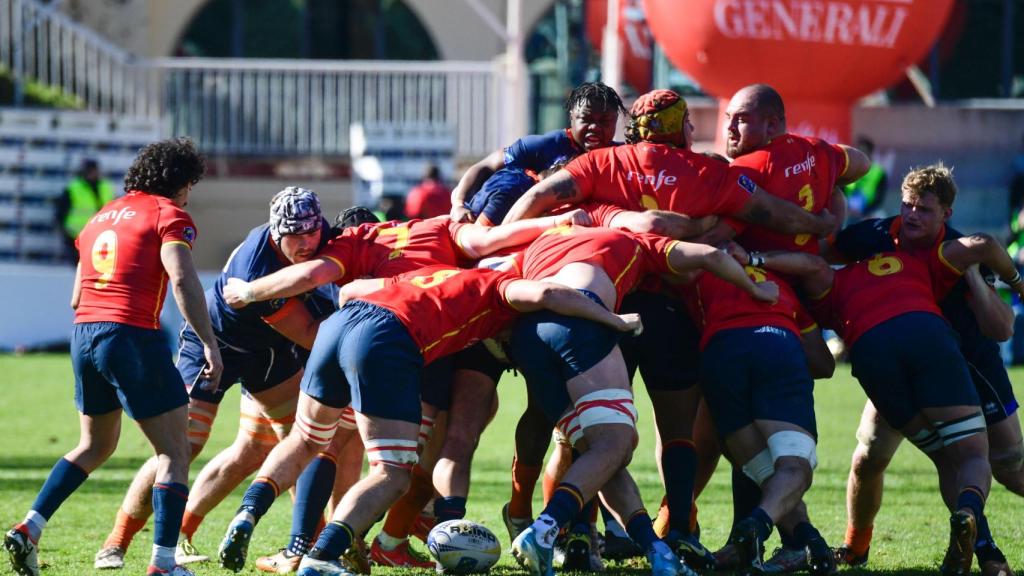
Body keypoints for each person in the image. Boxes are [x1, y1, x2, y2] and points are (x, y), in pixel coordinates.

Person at [90, 186, 342, 569]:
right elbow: (309, 334)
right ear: (276, 232)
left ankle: (299, 546)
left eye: (312, 232)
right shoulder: (257, 268)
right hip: (213, 342)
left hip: (268, 352)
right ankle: (117, 541)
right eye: (296, 235)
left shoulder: (314, 231)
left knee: (297, 442)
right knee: (180, 445)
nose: (307, 242)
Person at [506, 224, 779, 576]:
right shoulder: (632, 241)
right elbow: (709, 256)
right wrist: (756, 287)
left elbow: (498, 282)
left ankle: (654, 550)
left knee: (598, 450)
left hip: (528, 335)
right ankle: (545, 528)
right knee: (617, 443)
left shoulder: (540, 241)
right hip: (581, 322)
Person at [5, 138, 223, 576]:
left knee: (95, 444)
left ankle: (30, 526)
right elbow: (181, 280)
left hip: (84, 334)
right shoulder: (169, 215)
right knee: (174, 453)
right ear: (178, 182)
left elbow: (75, 297)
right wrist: (208, 342)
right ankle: (163, 563)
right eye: (189, 184)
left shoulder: (100, 216)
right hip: (131, 336)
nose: (189, 194)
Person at [825, 164, 1021, 576]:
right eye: (908, 205)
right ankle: (856, 546)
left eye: (925, 210)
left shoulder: (958, 251)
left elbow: (1001, 329)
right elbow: (826, 250)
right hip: (901, 362)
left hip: (969, 363)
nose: (912, 216)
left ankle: (983, 551)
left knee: (1008, 464)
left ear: (945, 215)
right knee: (868, 457)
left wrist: (978, 280)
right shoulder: (875, 235)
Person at [449, 81, 626, 223]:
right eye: (586, 119)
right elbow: (486, 165)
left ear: (616, 120)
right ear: (572, 116)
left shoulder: (622, 156)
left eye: (604, 121)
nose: (594, 127)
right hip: (511, 230)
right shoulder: (545, 146)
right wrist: (458, 205)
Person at [55, 158, 116, 263]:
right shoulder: (74, 188)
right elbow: (61, 212)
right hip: (76, 235)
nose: (92, 173)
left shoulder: (106, 187)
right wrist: (64, 232)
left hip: (100, 235)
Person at [843, 137, 888, 222]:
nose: (859, 154)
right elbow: (841, 190)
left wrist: (866, 212)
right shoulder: (848, 168)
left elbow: (879, 199)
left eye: (863, 151)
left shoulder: (879, 172)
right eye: (857, 151)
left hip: (868, 212)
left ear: (870, 153)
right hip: (847, 210)